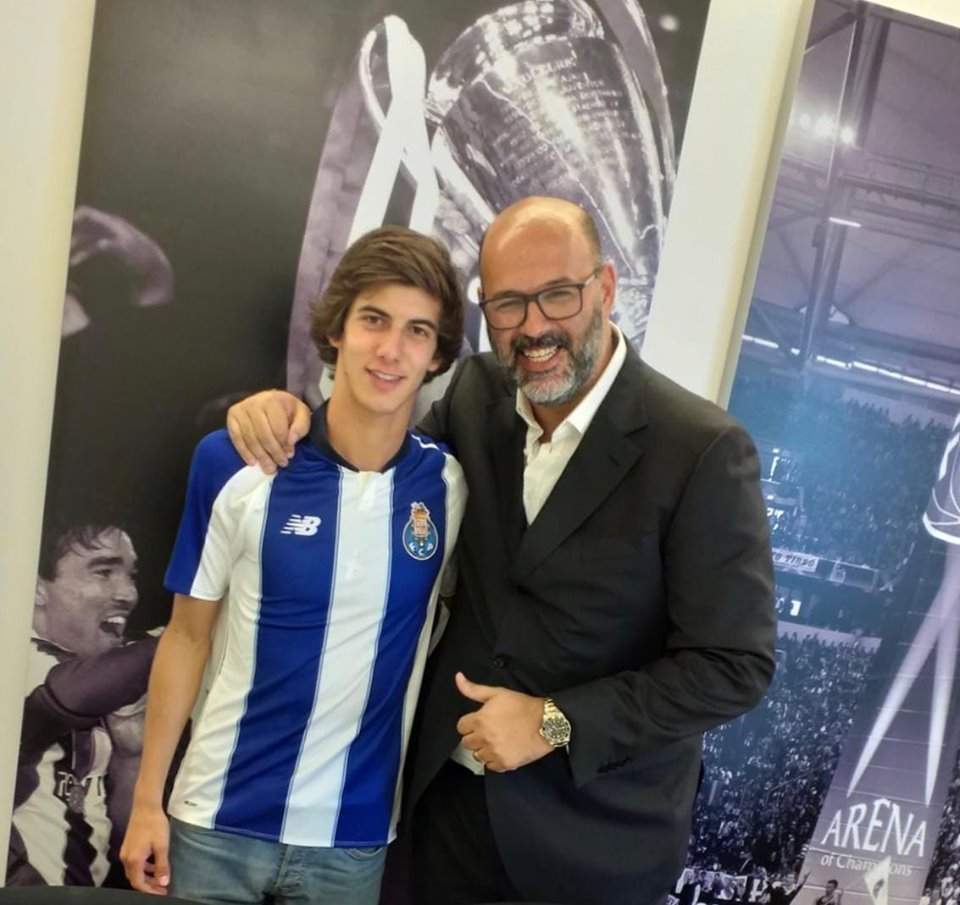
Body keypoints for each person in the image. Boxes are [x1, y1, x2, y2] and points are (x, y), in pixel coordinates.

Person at [226, 196, 776, 905]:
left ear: (606, 288)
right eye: (508, 304)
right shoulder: (476, 391)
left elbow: (734, 665)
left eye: (558, 294)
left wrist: (555, 721)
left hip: (588, 842)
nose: (534, 326)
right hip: (433, 809)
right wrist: (291, 416)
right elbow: (379, 468)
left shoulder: (701, 449)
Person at [120, 226, 467, 905]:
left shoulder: (449, 487)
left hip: (351, 842)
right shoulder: (237, 463)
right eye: (374, 320)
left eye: (417, 331)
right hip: (215, 825)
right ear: (337, 329)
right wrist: (146, 801)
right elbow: (185, 637)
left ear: (437, 355)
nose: (391, 349)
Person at [7, 519, 156, 887]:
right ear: (38, 587)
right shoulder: (14, 657)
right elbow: (63, 694)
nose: (128, 594)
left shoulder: (104, 680)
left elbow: (124, 841)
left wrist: (130, 757)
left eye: (131, 576)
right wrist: (191, 633)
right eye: (103, 572)